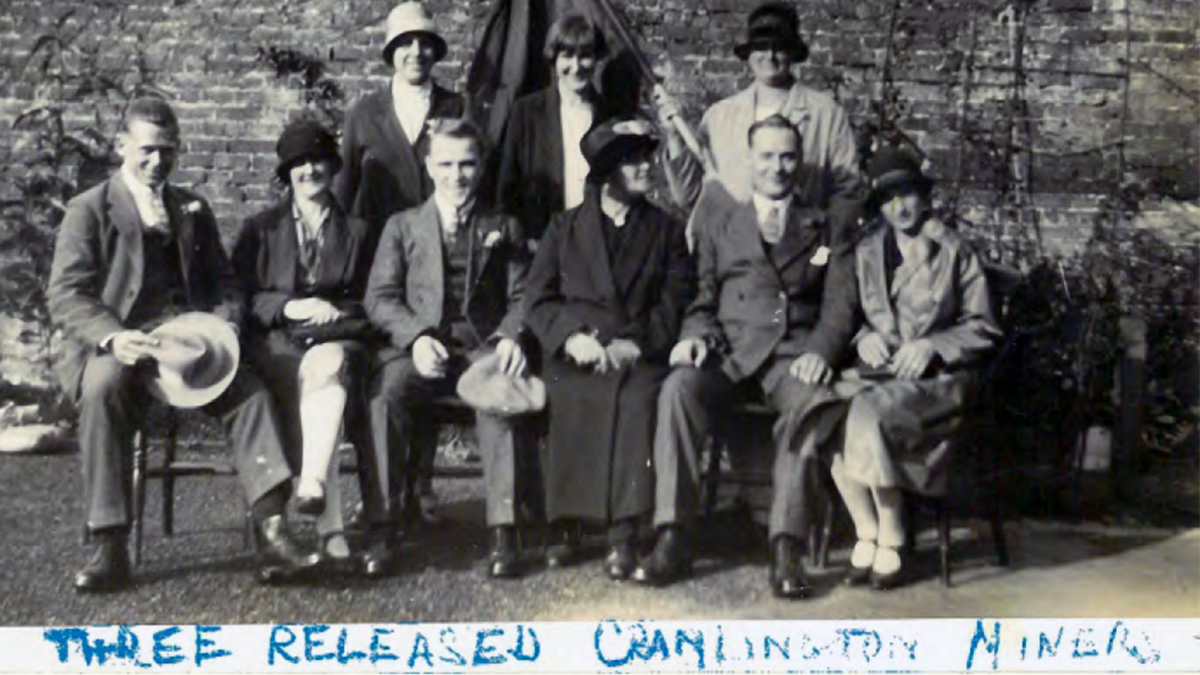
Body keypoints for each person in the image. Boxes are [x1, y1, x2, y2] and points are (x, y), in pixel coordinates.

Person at [47, 98, 319, 592]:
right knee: (103, 389)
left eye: (168, 151)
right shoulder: (88, 210)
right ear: (121, 146)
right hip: (122, 341)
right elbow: (67, 294)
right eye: (148, 151)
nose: (158, 162)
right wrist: (113, 335)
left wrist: (226, 323)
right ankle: (109, 542)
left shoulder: (193, 208)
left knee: (250, 393)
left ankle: (274, 532)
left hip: (189, 342)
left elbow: (226, 282)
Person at [635, 115, 857, 598]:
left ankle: (785, 546)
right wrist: (695, 336)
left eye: (788, 157)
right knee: (678, 388)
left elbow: (841, 304)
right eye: (767, 157)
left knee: (809, 403)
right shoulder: (723, 222)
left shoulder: (824, 225)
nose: (777, 167)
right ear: (749, 161)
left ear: (799, 163)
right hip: (730, 352)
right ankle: (673, 533)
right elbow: (703, 296)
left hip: (792, 356)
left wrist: (821, 350)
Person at [523, 117, 695, 580]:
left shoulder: (666, 230)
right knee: (568, 394)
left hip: (636, 351)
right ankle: (568, 525)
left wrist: (635, 345)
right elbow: (537, 299)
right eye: (633, 160)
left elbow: (673, 301)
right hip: (577, 348)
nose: (647, 167)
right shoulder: (564, 228)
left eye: (647, 156)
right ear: (608, 172)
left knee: (638, 400)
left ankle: (623, 531)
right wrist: (569, 338)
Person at [364, 118, 533, 578]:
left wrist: (509, 338)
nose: (456, 175)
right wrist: (416, 337)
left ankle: (504, 528)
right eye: (446, 164)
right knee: (385, 395)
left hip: (480, 347)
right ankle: (383, 523)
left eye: (467, 164)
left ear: (481, 167)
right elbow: (379, 298)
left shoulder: (503, 226)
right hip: (422, 348)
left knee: (500, 392)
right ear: (428, 165)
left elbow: (524, 297)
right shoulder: (402, 227)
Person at [826, 146, 1001, 590]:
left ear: (924, 198)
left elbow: (984, 328)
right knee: (821, 410)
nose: (899, 206)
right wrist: (863, 337)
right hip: (882, 375)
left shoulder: (953, 251)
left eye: (906, 194)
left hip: (939, 380)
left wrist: (934, 345)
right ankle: (866, 529)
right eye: (888, 198)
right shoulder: (867, 252)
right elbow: (859, 316)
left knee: (868, 413)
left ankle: (895, 535)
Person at [335, 1, 467, 520]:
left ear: (435, 50)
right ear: (391, 52)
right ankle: (382, 497)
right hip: (380, 262)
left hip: (439, 251)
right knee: (383, 371)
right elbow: (345, 194)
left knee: (433, 349)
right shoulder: (365, 113)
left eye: (424, 42)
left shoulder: (456, 106)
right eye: (405, 43)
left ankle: (422, 484)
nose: (416, 51)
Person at [232, 120, 379, 569]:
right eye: (298, 164)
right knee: (319, 392)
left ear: (333, 167)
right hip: (278, 343)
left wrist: (338, 313)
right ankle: (329, 527)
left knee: (328, 364)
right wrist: (290, 308)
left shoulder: (359, 230)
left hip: (337, 339)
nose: (309, 170)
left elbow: (373, 298)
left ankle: (312, 485)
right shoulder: (261, 228)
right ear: (286, 173)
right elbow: (241, 294)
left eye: (317, 161)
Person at [653, 1, 861, 241]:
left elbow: (848, 192)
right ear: (749, 54)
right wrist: (673, 136)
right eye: (761, 47)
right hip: (727, 256)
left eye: (779, 47)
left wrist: (822, 243)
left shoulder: (826, 115)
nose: (769, 56)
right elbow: (687, 196)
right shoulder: (719, 117)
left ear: (792, 53)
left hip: (797, 256)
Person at [492, 11, 620, 244]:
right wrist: (520, 236)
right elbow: (507, 182)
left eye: (585, 56)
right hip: (539, 241)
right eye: (567, 55)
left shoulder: (609, 115)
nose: (576, 65)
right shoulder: (527, 111)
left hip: (595, 240)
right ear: (554, 58)